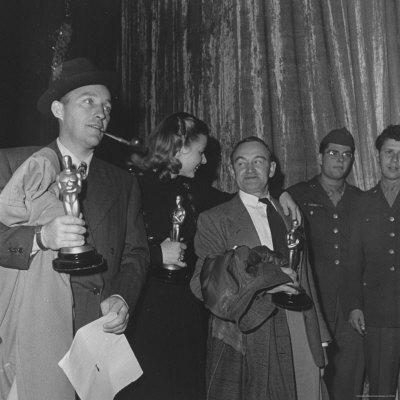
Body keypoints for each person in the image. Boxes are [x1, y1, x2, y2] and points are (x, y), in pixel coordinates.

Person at [118, 113, 301, 400]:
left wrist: (281, 194)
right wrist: (156, 253)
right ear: (179, 147)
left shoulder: (194, 188)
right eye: (200, 153)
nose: (204, 162)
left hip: (186, 309)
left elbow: (242, 199)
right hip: (146, 307)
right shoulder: (134, 185)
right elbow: (115, 247)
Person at [0, 57, 149, 400]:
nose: (101, 113)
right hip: (28, 337)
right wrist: (40, 237)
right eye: (89, 102)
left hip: (92, 340)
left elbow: (136, 253)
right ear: (58, 109)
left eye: (107, 106)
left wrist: (123, 297)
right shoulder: (14, 165)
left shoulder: (124, 183)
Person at [191, 136, 331, 400]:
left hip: (299, 324)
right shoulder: (215, 219)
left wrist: (320, 337)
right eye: (241, 163)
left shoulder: (291, 213)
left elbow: (307, 276)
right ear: (232, 171)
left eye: (258, 161)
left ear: (272, 169)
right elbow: (201, 284)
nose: (250, 169)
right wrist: (267, 281)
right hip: (247, 332)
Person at [286, 128, 365, 400]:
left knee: (348, 379)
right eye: (333, 153)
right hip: (311, 302)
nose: (340, 160)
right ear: (320, 157)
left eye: (347, 155)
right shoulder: (295, 195)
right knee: (310, 379)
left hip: (350, 306)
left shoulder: (360, 199)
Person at [347, 124, 400, 398]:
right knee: (381, 389)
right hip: (379, 312)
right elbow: (353, 260)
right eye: (389, 152)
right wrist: (356, 305)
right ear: (378, 155)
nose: (395, 160)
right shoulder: (361, 203)